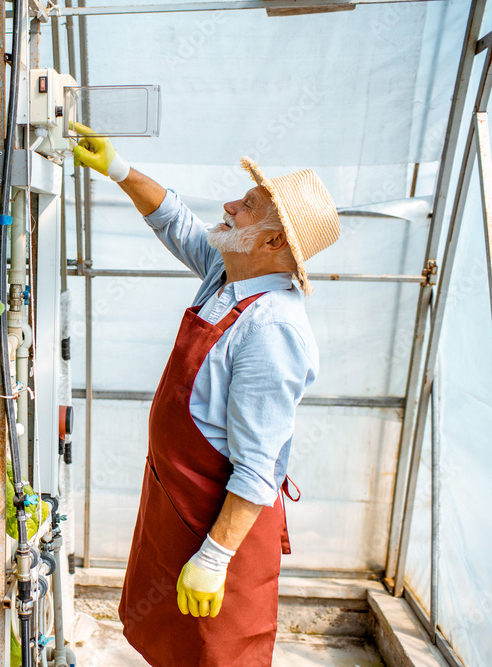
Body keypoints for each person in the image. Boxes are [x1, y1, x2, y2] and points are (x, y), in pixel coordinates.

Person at [72, 125, 340, 666]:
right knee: (172, 646)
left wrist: (214, 557)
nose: (228, 205)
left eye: (246, 205)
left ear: (273, 243)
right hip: (178, 505)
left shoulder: (272, 329)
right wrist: (118, 168)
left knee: (219, 656)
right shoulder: (229, 275)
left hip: (218, 526)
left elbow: (259, 467)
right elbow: (178, 224)